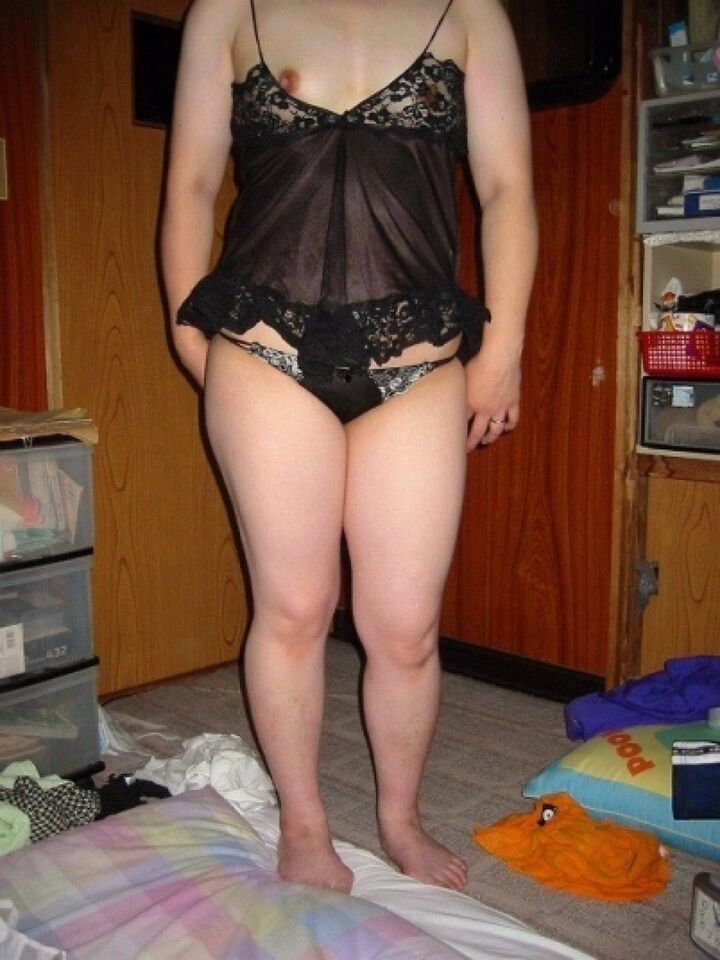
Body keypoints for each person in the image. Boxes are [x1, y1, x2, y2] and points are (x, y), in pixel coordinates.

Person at [161, 0, 537, 895]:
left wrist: (505, 350)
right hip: (264, 347)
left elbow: (507, 188)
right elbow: (191, 184)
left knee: (404, 629)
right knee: (295, 608)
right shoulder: (228, 9)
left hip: (422, 360)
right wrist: (188, 332)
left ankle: (400, 819)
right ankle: (304, 824)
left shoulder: (470, 11)